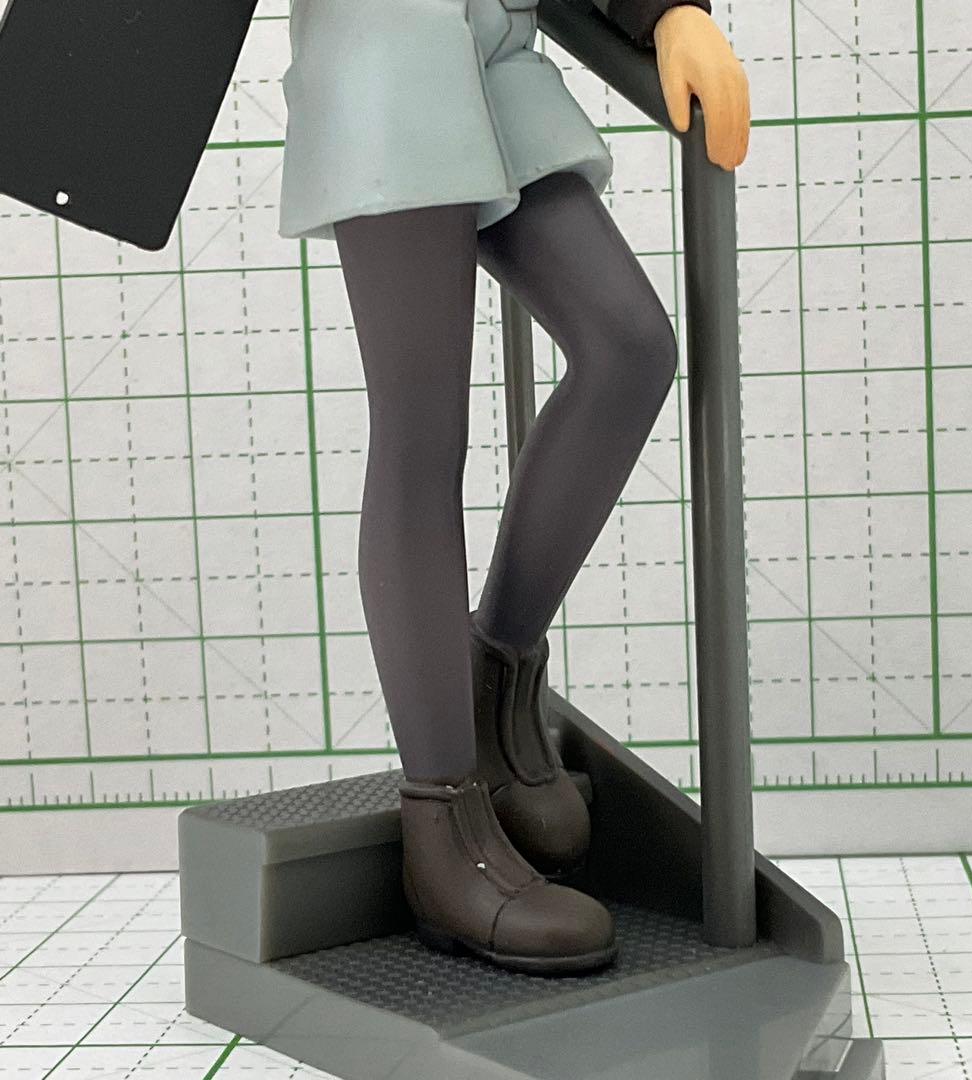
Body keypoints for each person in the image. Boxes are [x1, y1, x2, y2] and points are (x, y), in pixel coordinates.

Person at [278, 0, 751, 975]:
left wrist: (666, 13)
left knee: (628, 348)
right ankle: (444, 833)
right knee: (422, 432)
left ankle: (494, 680)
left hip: (496, 49)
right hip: (387, 52)